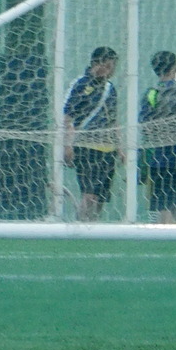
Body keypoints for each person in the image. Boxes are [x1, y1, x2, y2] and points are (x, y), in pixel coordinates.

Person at [62, 46, 119, 222]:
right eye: (108, 66)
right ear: (96, 64)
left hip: (108, 148)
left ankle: (94, 228)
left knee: (101, 197)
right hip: (87, 147)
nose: (110, 71)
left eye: (112, 66)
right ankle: (81, 226)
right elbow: (67, 117)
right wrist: (68, 145)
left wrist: (120, 146)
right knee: (89, 194)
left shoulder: (110, 88)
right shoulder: (81, 84)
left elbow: (113, 119)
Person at [138, 50, 176, 223]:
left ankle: (167, 239)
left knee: (164, 204)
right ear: (174, 67)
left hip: (161, 157)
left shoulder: (152, 93)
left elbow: (145, 125)